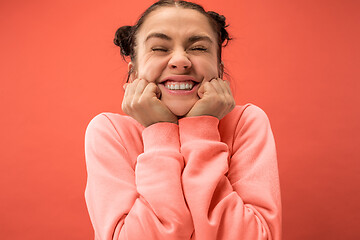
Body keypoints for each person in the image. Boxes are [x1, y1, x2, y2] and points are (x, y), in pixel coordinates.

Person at [84, 0, 282, 239]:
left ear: (219, 70)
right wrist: (159, 133)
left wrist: (202, 131)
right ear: (134, 71)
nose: (180, 60)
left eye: (198, 48)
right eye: (159, 48)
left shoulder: (246, 123)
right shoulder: (109, 131)